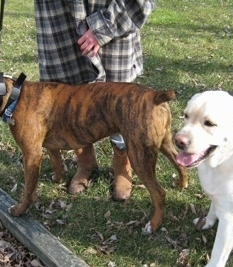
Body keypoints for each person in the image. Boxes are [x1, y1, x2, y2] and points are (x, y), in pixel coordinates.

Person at [34, 0, 155, 201]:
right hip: (59, 21)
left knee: (118, 103)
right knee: (68, 101)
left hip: (110, 15)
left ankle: (122, 164)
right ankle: (85, 161)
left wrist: (103, 27)